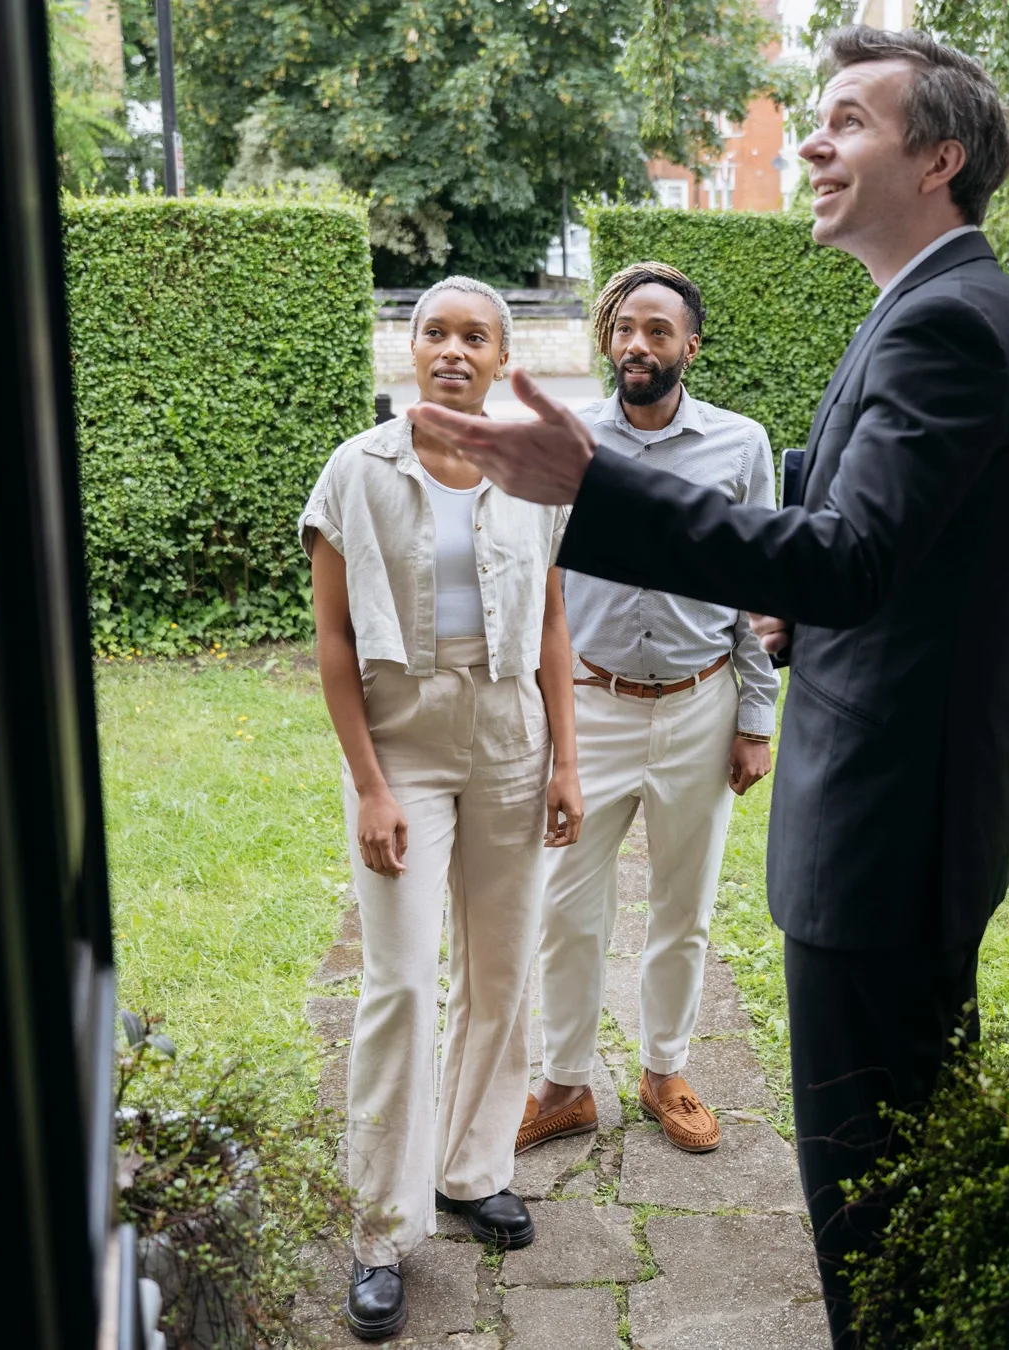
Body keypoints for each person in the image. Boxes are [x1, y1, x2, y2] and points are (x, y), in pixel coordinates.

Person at [408, 28, 1009, 1343]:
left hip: (891, 827)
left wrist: (590, 486)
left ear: (937, 160)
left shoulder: (949, 323)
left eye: (848, 120)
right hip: (899, 814)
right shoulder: (927, 307)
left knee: (876, 1192)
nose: (813, 143)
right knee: (892, 1175)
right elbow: (883, 555)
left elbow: (853, 556)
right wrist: (803, 609)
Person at [299, 276, 586, 1342]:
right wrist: (371, 785)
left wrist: (565, 763)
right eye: (435, 332)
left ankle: (472, 1171)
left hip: (511, 733)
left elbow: (552, 621)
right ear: (410, 349)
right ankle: (379, 1229)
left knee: (501, 971)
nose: (453, 350)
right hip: (404, 741)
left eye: (475, 336)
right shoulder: (357, 470)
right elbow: (333, 640)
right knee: (402, 981)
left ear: (504, 358)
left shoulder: (532, 474)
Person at [518, 262, 779, 1161]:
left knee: (684, 907)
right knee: (567, 907)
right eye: (626, 328)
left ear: (689, 348)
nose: (638, 344)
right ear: (608, 338)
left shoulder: (740, 445)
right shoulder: (569, 441)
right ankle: (563, 1083)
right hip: (591, 707)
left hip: (701, 706)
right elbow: (537, 582)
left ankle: (665, 1071)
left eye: (658, 331)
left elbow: (759, 582)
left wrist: (755, 717)